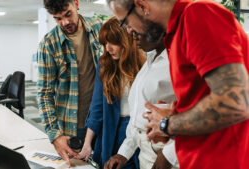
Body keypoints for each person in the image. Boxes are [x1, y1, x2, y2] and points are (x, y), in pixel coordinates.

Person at [107, 0, 249, 169]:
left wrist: (167, 124)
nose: (129, 31)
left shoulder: (197, 14)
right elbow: (205, 99)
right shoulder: (173, 36)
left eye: (126, 23)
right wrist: (178, 112)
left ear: (142, 5)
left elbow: (236, 101)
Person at [104, 22, 178, 169]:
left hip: (166, 154)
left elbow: (200, 114)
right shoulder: (149, 62)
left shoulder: (176, 61)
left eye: (132, 24)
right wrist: (123, 153)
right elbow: (137, 117)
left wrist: (169, 154)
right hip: (146, 152)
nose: (129, 31)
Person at [37, 0, 102, 167]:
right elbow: (44, 93)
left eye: (68, 14)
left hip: (101, 121)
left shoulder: (98, 28)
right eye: (58, 18)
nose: (65, 22)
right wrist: (55, 136)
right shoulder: (49, 44)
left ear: (76, 4)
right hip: (73, 128)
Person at [75, 17, 146, 169]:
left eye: (113, 42)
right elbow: (97, 108)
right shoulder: (105, 65)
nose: (108, 48)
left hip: (138, 129)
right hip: (112, 128)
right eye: (105, 43)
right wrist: (87, 144)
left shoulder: (145, 64)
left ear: (126, 40)